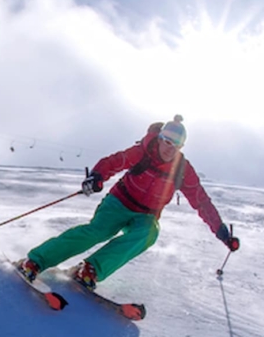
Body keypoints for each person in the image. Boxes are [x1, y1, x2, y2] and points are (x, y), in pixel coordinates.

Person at [19, 115, 238, 289]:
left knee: (148, 234)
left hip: (146, 215)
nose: (169, 148)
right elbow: (114, 162)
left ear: (181, 147)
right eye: (167, 141)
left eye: (176, 145)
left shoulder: (182, 170)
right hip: (120, 202)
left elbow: (202, 202)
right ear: (160, 138)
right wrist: (97, 176)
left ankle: (91, 270)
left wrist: (221, 232)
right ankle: (36, 261)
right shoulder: (144, 151)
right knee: (97, 232)